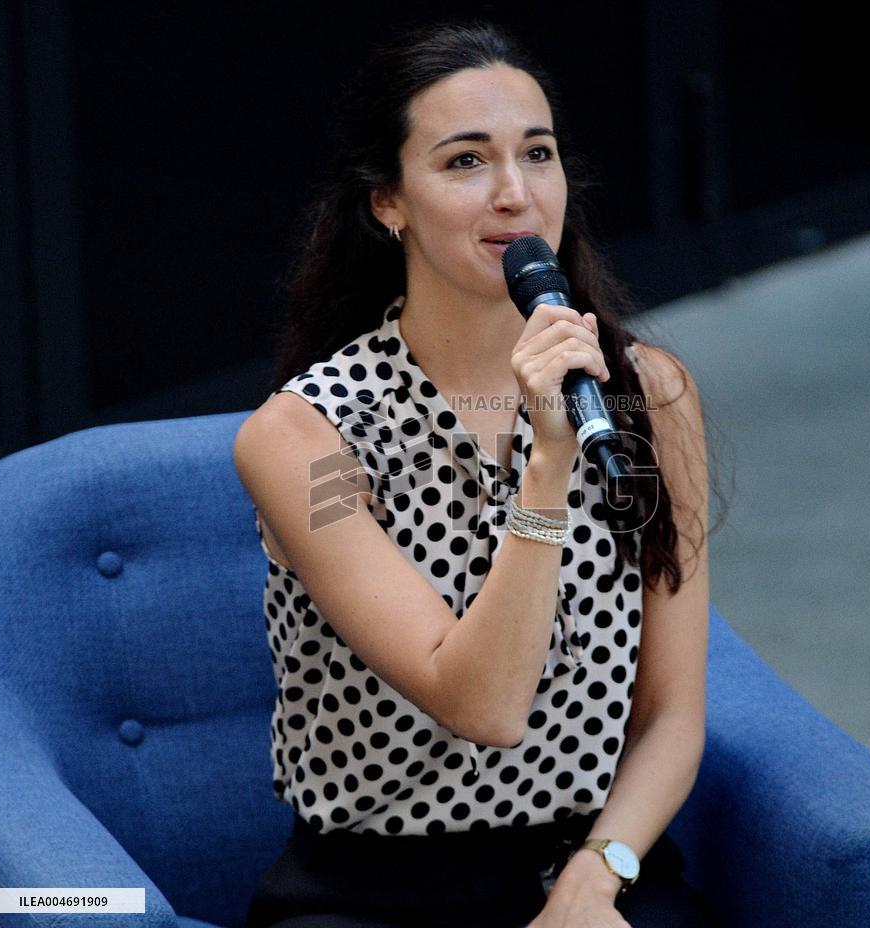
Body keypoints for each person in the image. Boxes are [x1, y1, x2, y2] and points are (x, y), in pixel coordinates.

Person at [234, 18, 723, 928]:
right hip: (374, 893)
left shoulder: (650, 396)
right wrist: (547, 469)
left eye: (537, 155)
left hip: (590, 865)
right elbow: (484, 705)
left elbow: (671, 714)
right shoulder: (309, 438)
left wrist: (596, 875)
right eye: (465, 163)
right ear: (389, 202)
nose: (515, 195)